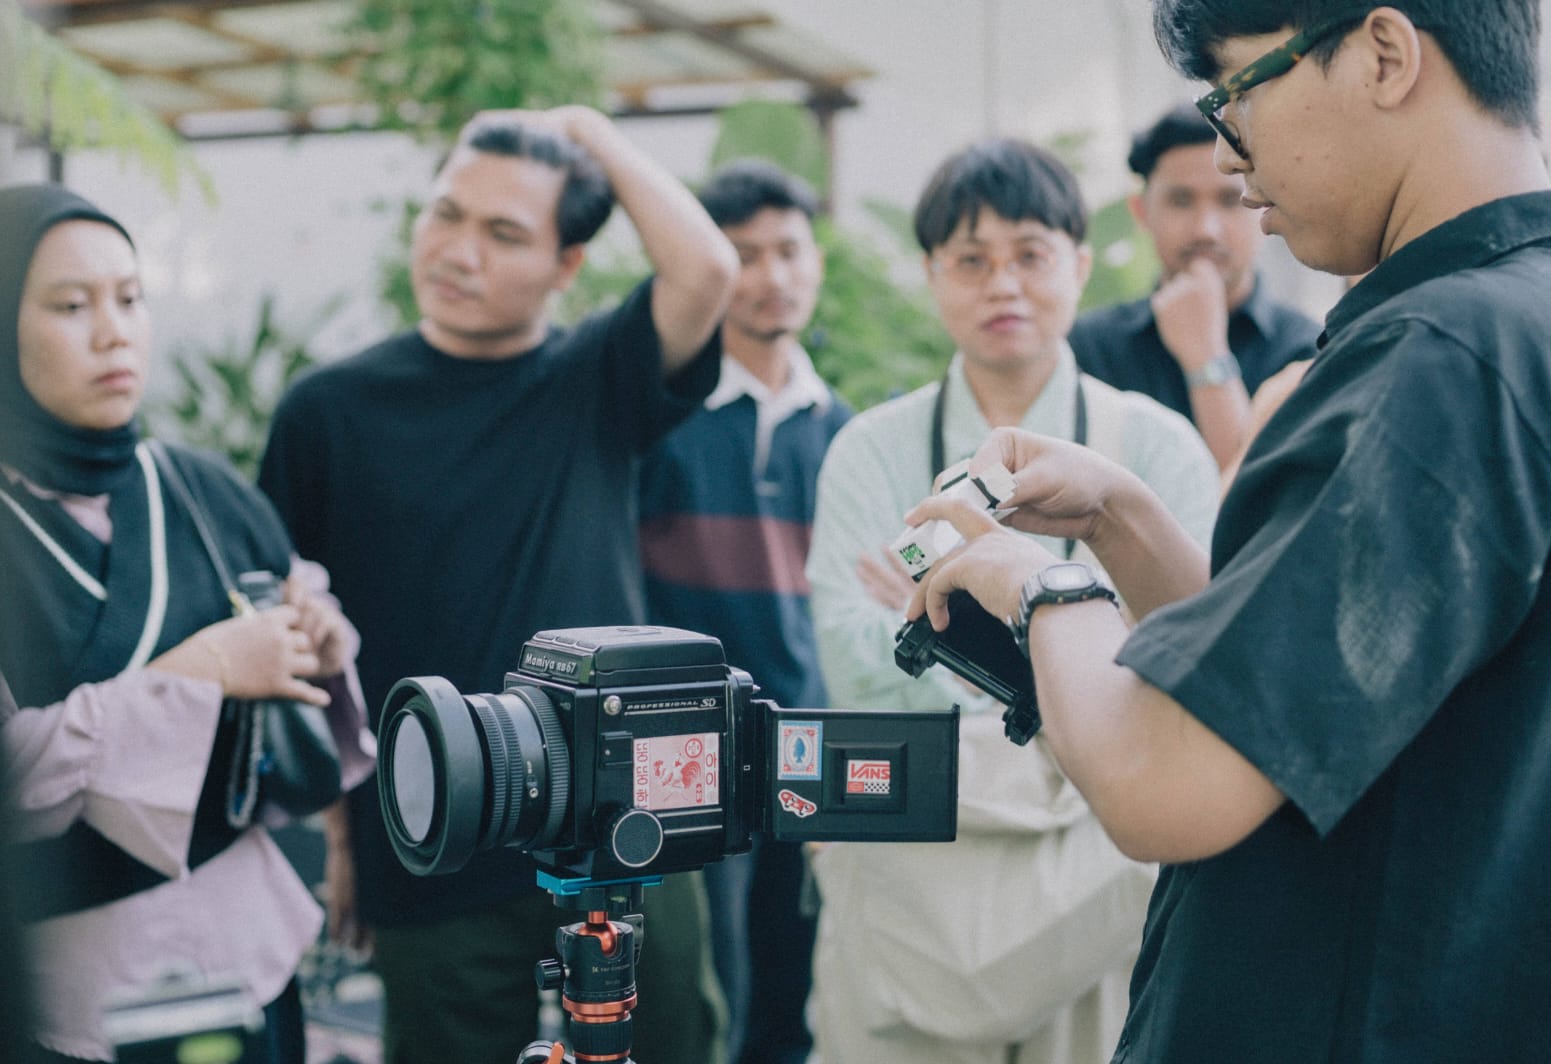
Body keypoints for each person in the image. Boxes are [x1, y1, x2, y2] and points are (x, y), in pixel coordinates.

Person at [904, 2, 1551, 1060]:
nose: (1235, 161)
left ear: (1382, 53)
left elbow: (1162, 782)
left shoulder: (1441, 352)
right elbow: (1290, 707)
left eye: (1235, 95)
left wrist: (1037, 585)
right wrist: (1120, 518)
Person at [258, 107, 737, 1064]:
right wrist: (346, 840)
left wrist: (590, 132)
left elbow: (708, 270)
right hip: (436, 822)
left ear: (566, 267)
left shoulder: (599, 375)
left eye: (504, 232)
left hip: (627, 818)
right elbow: (299, 642)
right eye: (446, 214)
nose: (456, 250)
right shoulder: (329, 411)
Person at [803, 139, 1218, 1064]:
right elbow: (849, 661)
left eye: (1030, 254)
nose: (1004, 285)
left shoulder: (1158, 448)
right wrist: (1084, 634)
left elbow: (1196, 666)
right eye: (971, 259)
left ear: (1079, 262)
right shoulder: (867, 450)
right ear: (930, 275)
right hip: (909, 878)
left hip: (1102, 883)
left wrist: (937, 612)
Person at [0, 183, 374, 1063]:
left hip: (243, 953)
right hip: (67, 994)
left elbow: (307, 637)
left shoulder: (202, 490)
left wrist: (315, 644)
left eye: (130, 299)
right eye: (70, 305)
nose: (113, 331)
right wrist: (200, 671)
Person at [637, 160, 848, 1064]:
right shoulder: (656, 416)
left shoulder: (844, 431)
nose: (772, 276)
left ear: (816, 263)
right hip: (680, 745)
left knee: (797, 981)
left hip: (805, 741)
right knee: (698, 985)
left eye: (789, 251)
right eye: (744, 255)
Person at [1068, 104, 1319, 467]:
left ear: (1263, 205)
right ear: (1141, 211)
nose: (1205, 229)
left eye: (1230, 200)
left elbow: (1260, 505)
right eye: (1181, 201)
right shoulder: (1089, 348)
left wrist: (1207, 358)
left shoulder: (1307, 351)